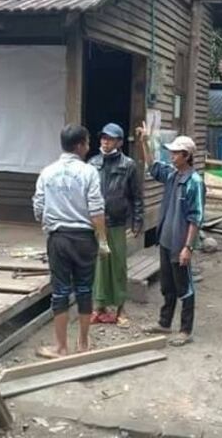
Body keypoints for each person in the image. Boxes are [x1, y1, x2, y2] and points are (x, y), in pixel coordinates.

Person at [32, 124, 110, 356]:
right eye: (87, 142)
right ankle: (83, 344)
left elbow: (38, 205)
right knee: (85, 290)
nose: (89, 146)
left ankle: (60, 347)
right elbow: (96, 210)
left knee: (60, 291)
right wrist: (103, 241)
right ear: (79, 146)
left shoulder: (47, 172)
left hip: (59, 238)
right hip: (85, 239)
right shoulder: (89, 172)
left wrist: (49, 223)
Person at [136, 122, 203, 346]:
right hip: (165, 240)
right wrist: (145, 142)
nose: (171, 156)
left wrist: (188, 247)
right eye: (171, 153)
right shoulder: (173, 175)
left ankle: (185, 330)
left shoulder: (194, 182)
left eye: (175, 153)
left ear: (186, 156)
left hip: (180, 243)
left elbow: (196, 218)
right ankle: (164, 323)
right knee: (167, 285)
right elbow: (153, 166)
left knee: (184, 287)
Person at [88, 122, 144, 328]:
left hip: (118, 222)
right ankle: (98, 308)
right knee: (99, 266)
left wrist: (137, 220)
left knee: (118, 265)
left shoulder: (128, 165)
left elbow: (137, 196)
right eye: (103, 137)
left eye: (110, 138)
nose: (105, 141)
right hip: (96, 222)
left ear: (119, 142)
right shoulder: (92, 163)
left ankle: (120, 308)